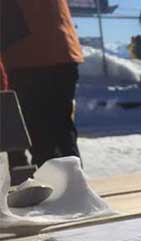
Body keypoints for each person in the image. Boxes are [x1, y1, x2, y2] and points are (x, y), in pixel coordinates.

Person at [1, 0, 83, 169]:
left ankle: (58, 188)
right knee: (61, 131)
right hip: (61, 48)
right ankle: (72, 187)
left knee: (41, 135)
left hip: (26, 56)